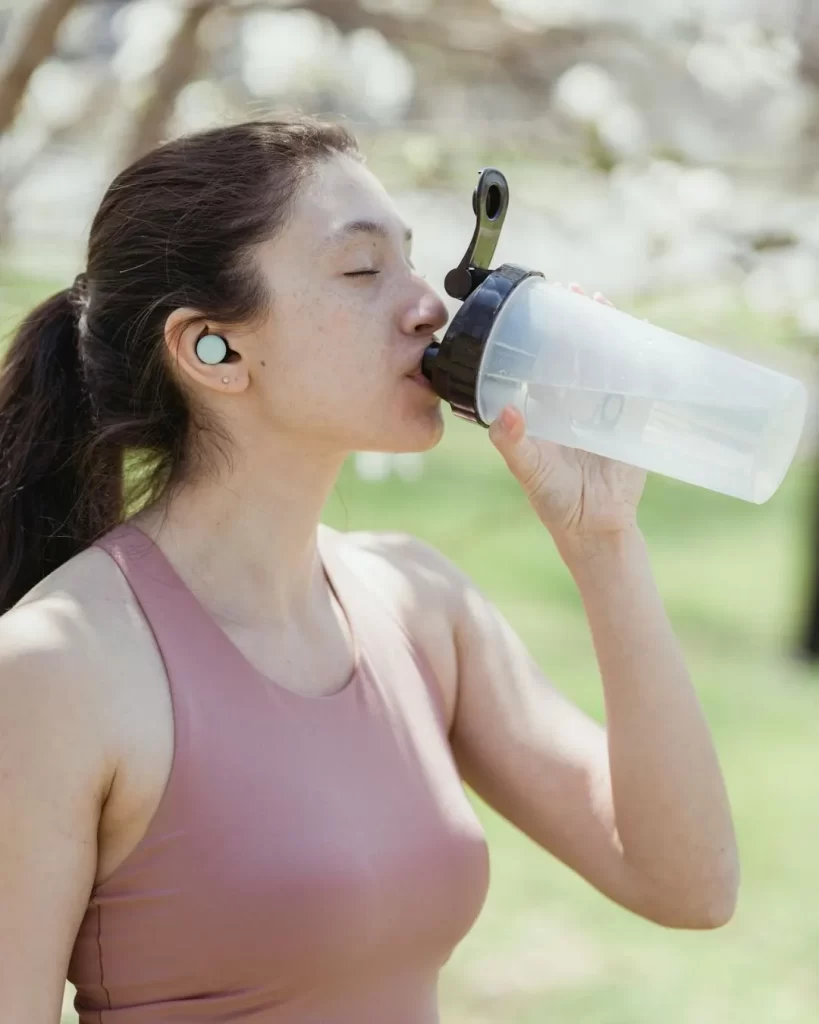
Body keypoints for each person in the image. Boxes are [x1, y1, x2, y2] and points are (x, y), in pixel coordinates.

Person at [0, 116, 738, 1024]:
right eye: (361, 270)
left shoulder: (419, 604)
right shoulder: (57, 667)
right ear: (210, 349)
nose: (428, 305)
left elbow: (689, 885)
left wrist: (603, 539)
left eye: (413, 260)